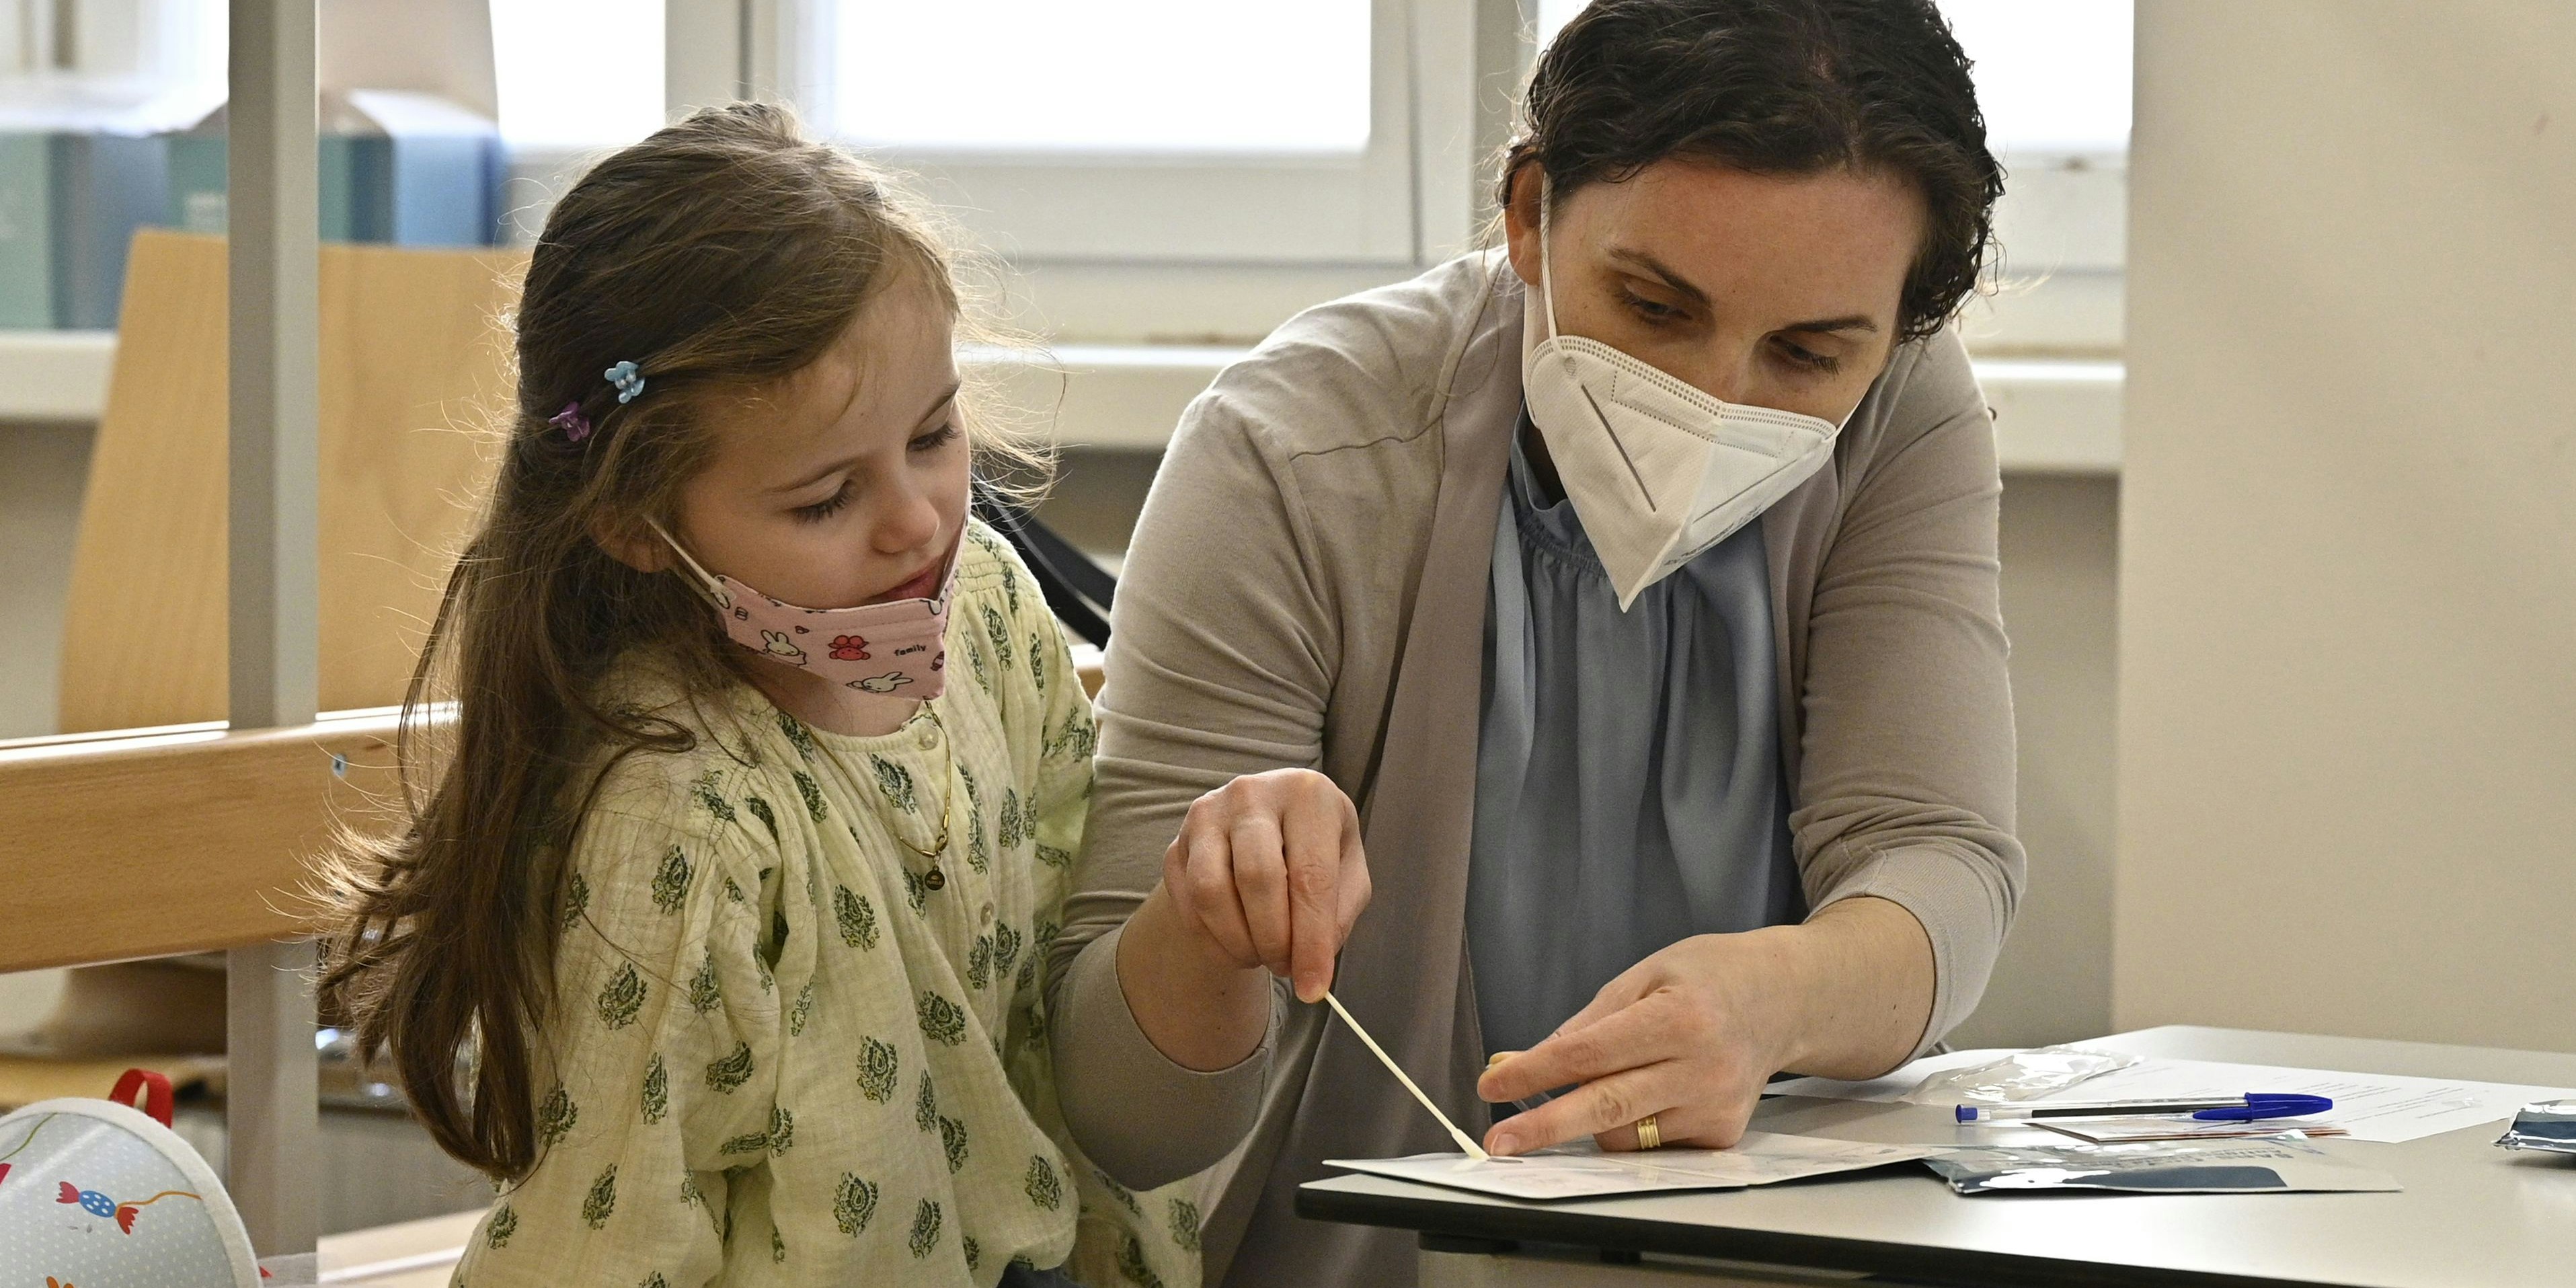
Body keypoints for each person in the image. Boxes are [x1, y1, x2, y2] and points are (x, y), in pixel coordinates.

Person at [1042, 1, 2025, 1284]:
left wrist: (1781, 995)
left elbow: (1938, 858)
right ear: (1527, 215)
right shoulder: (1291, 453)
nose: (1716, 400)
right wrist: (1204, 930)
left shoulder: (1902, 410)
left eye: (1806, 353)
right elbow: (1129, 1124)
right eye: (1655, 306)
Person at [315, 106, 1200, 1287]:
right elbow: (612, 1237)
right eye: (826, 499)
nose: (917, 521)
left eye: (935, 435)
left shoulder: (987, 608)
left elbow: (1072, 963)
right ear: (636, 526)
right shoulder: (675, 823)